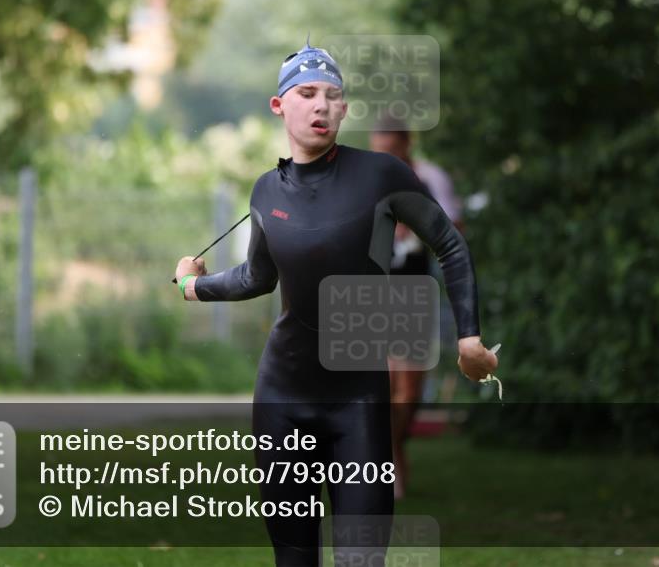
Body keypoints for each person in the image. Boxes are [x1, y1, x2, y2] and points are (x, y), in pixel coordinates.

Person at [175, 39, 497, 566]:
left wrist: (468, 339)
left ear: (344, 108)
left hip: (359, 402)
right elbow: (257, 277)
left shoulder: (381, 176)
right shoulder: (265, 192)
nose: (321, 105)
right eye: (307, 93)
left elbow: (450, 244)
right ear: (280, 105)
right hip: (282, 397)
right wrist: (193, 285)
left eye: (333, 96)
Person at [369, 117, 464, 500]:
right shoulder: (362, 182)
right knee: (381, 384)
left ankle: (396, 447)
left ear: (407, 145)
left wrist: (415, 227)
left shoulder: (430, 180)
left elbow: (454, 233)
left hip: (412, 291)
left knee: (408, 390)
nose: (385, 160)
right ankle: (388, 459)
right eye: (380, 152)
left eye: (392, 152)